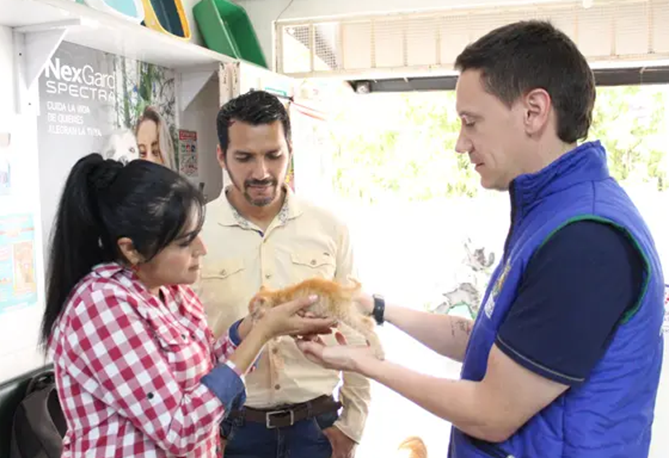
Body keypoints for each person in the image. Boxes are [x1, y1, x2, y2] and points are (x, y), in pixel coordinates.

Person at [296, 20, 665, 458]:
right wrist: (374, 307)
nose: (460, 143)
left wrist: (362, 362)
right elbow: (491, 343)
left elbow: (491, 413)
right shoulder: (549, 214)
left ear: (533, 111)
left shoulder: (585, 241)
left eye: (471, 122)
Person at [40, 153, 335, 457]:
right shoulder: (101, 306)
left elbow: (209, 371)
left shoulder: (173, 292)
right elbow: (179, 429)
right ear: (131, 250)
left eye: (198, 235)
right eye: (185, 242)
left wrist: (253, 327)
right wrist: (263, 333)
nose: (201, 249)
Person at [195, 90, 371, 458]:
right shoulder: (194, 234)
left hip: (317, 430)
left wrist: (352, 427)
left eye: (273, 155)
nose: (261, 172)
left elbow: (358, 329)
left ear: (290, 150)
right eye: (244, 157)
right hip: (229, 432)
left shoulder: (329, 228)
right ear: (221, 156)